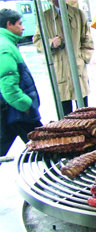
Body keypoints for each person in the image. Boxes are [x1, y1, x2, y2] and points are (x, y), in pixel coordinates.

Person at [33, 0, 94, 115]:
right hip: (59, 70)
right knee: (65, 114)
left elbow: (87, 41)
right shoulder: (45, 17)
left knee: (84, 111)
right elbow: (37, 41)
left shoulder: (78, 14)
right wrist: (51, 43)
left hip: (78, 69)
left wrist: (83, 58)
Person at [0, 9, 42, 156]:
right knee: (43, 144)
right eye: (20, 23)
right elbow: (8, 86)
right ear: (9, 25)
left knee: (3, 142)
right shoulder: (5, 47)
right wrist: (26, 105)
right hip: (18, 111)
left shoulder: (6, 43)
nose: (23, 27)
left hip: (12, 110)